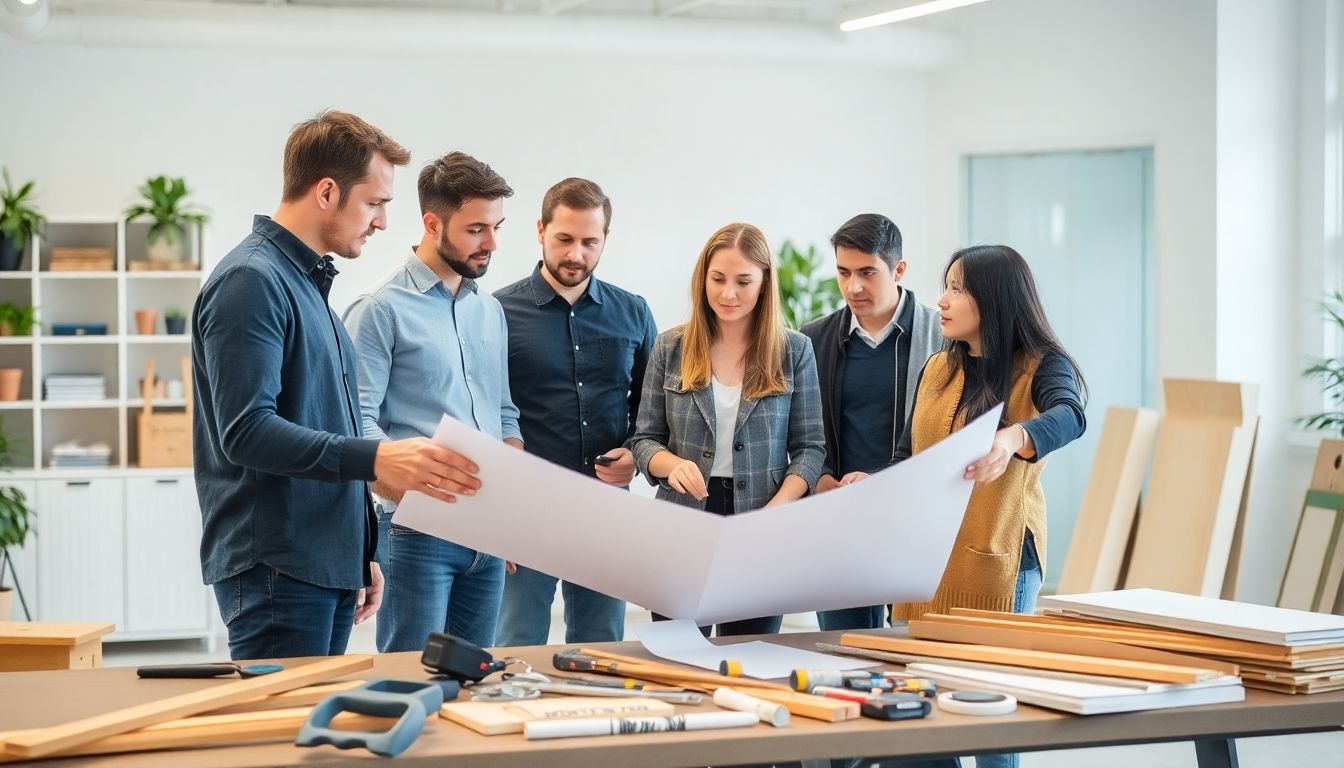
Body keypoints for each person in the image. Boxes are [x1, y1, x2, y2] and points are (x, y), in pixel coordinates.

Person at [193, 110, 482, 660]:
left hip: (322, 560)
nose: (381, 223)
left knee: (313, 743)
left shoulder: (305, 282)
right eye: (375, 203)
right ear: (327, 191)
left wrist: (361, 549)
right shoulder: (251, 281)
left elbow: (323, 423)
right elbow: (247, 432)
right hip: (278, 566)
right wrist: (378, 459)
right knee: (280, 741)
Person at [890, 244, 1086, 768]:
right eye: (946, 286)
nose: (943, 300)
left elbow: (1070, 416)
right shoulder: (937, 366)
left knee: (990, 721)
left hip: (997, 563)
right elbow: (910, 454)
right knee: (921, 718)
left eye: (957, 289)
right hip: (924, 565)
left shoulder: (1042, 367)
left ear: (994, 299)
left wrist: (1012, 438)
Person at [343, 151, 521, 652]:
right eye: (476, 229)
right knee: (410, 677)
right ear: (432, 222)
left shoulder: (490, 311)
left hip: (488, 531)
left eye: (497, 227)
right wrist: (417, 494)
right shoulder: (378, 309)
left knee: (474, 676)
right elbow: (355, 422)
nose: (491, 244)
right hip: (415, 533)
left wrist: (510, 503)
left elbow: (503, 412)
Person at [629, 222, 825, 637]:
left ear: (764, 284)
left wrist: (778, 508)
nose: (728, 294)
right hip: (681, 524)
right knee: (680, 658)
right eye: (717, 279)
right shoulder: (670, 346)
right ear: (703, 280)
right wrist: (670, 465)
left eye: (743, 281)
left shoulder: (795, 350)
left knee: (746, 656)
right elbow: (644, 438)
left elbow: (810, 448)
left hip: (759, 524)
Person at [494, 178, 658, 646]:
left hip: (606, 511)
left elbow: (651, 409)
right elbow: (484, 412)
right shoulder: (496, 312)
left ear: (605, 239)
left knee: (602, 650)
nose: (576, 254)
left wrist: (635, 453)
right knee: (514, 647)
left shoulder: (634, 312)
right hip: (524, 512)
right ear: (540, 230)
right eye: (564, 239)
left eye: (590, 241)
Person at [801, 214, 942, 632]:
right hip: (841, 526)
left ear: (899, 269)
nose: (853, 287)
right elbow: (801, 430)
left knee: (916, 652)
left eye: (867, 273)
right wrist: (821, 479)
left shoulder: (942, 336)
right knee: (845, 650)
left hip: (918, 522)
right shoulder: (813, 339)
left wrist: (886, 482)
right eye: (843, 273)